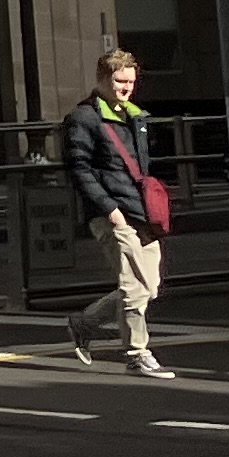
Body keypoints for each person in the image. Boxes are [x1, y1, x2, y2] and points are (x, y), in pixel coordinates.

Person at [64, 48, 175, 378]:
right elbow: (78, 168)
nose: (126, 87)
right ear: (102, 78)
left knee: (148, 287)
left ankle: (84, 322)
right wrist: (109, 209)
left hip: (139, 211)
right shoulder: (84, 118)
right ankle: (136, 353)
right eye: (119, 81)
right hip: (113, 212)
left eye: (131, 81)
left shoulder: (136, 117)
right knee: (134, 287)